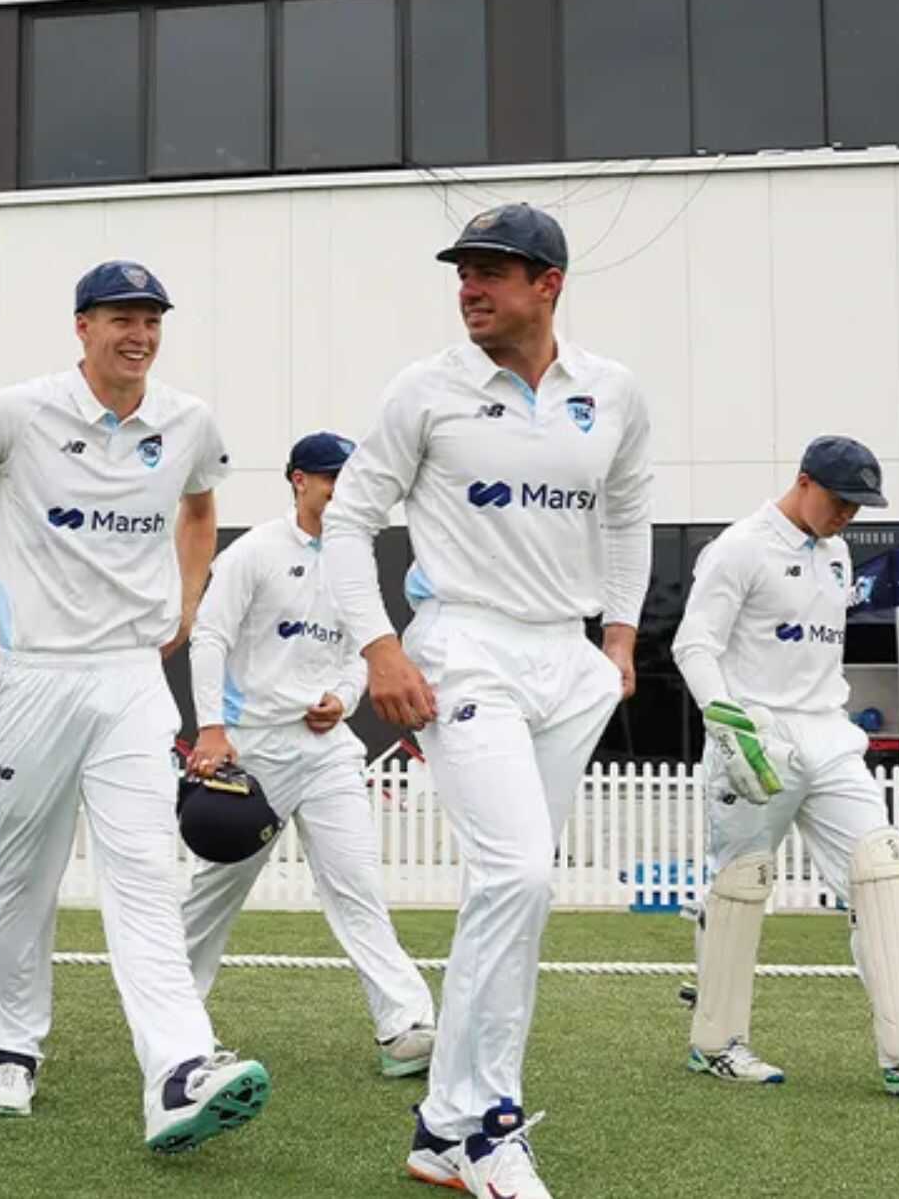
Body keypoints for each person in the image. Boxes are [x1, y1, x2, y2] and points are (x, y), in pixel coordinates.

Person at [0, 260, 269, 1155]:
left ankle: (178, 1068)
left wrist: (186, 601)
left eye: (150, 319)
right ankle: (16, 1047)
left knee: (142, 869)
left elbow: (200, 506)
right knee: (24, 873)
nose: (137, 335)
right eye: (120, 319)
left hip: (130, 679)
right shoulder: (22, 411)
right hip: (35, 674)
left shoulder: (185, 421)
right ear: (82, 327)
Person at [320, 204, 650, 1199]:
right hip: (464, 648)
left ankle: (443, 1132)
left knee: (510, 897)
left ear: (548, 284)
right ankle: (481, 1126)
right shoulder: (427, 391)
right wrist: (380, 649)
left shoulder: (613, 394)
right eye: (463, 271)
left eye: (493, 272)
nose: (470, 287)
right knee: (518, 879)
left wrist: (622, 643)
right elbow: (348, 523)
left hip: (568, 664)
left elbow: (630, 512)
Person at [671, 437, 899, 1095]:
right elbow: (693, 643)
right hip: (759, 738)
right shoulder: (738, 547)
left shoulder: (837, 552)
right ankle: (716, 1042)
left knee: (882, 870)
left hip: (829, 734)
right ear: (802, 481)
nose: (848, 513)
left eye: (858, 504)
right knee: (741, 883)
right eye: (840, 499)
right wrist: (727, 723)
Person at [181, 431, 436, 1076]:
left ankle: (404, 1024)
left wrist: (343, 699)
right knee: (215, 895)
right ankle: (173, 1025)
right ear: (299, 479)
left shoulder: (357, 562)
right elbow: (209, 636)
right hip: (254, 750)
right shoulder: (256, 552)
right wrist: (211, 729)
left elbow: (362, 652)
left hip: (325, 752)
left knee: (358, 885)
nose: (341, 490)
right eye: (331, 479)